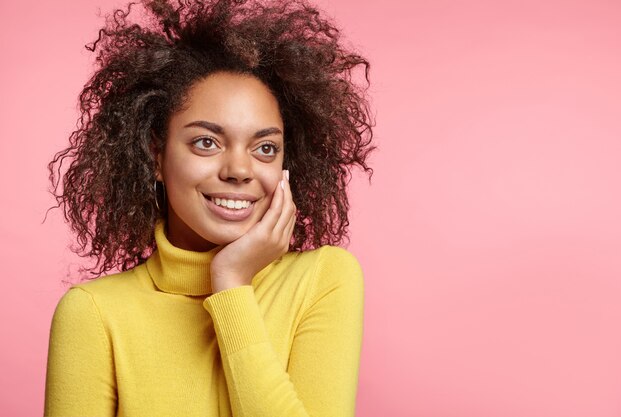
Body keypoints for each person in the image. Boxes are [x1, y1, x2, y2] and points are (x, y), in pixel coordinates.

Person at [44, 0, 375, 415]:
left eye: (265, 148)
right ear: (156, 155)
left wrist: (233, 283)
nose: (239, 169)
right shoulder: (94, 314)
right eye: (207, 142)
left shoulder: (324, 280)